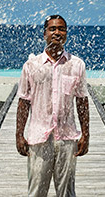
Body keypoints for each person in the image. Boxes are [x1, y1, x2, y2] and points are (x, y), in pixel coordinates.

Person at [16, 15, 90, 197]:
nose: (57, 33)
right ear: (44, 34)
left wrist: (85, 134)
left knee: (66, 192)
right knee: (36, 192)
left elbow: (82, 101)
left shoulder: (76, 65)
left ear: (66, 34)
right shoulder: (31, 66)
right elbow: (24, 101)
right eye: (52, 29)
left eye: (62, 29)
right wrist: (19, 134)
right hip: (39, 137)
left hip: (67, 138)